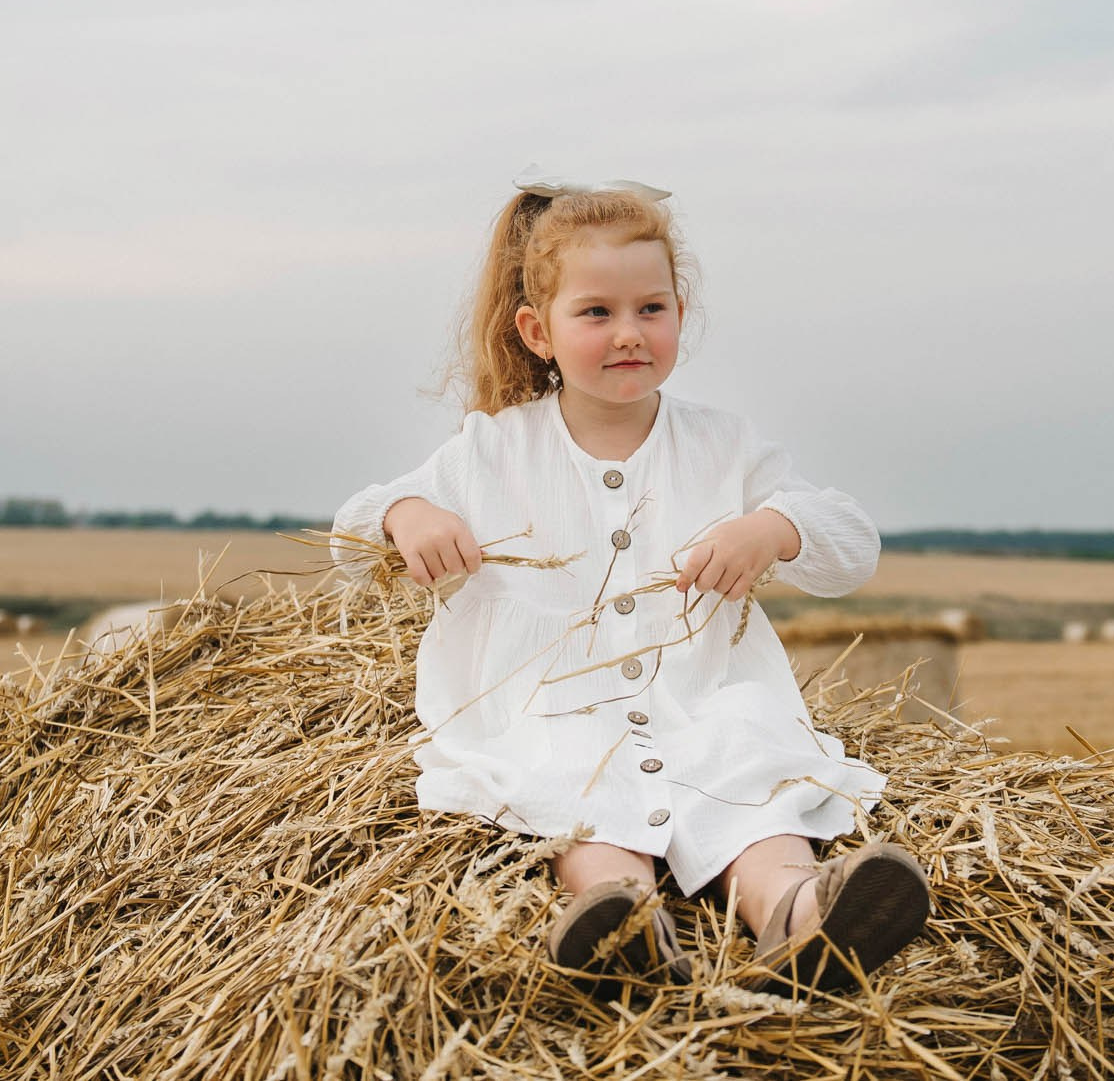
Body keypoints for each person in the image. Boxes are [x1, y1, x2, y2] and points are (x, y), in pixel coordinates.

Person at [329, 174, 928, 999]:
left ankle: (800, 917)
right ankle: (625, 925)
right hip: (549, 702)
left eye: (652, 309)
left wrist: (772, 529)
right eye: (597, 314)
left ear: (681, 314)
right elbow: (349, 537)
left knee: (751, 772)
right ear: (538, 331)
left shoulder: (725, 446)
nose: (629, 334)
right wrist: (405, 514)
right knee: (572, 781)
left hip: (701, 690)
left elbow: (851, 545)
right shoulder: (491, 451)